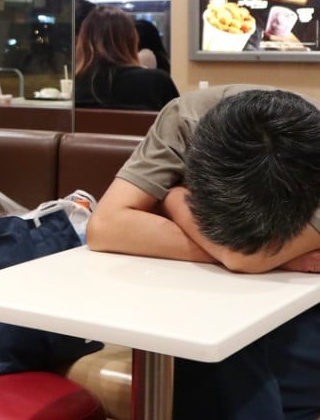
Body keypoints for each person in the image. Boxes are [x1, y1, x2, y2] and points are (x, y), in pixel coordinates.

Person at [87, 86, 320, 419]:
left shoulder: (309, 155)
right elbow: (106, 226)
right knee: (214, 356)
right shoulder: (186, 119)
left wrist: (175, 200)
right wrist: (259, 256)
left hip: (304, 309)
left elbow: (246, 258)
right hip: (205, 306)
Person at [74, 5, 179, 111]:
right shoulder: (157, 82)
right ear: (133, 40)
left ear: (83, 43)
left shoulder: (76, 87)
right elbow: (181, 122)